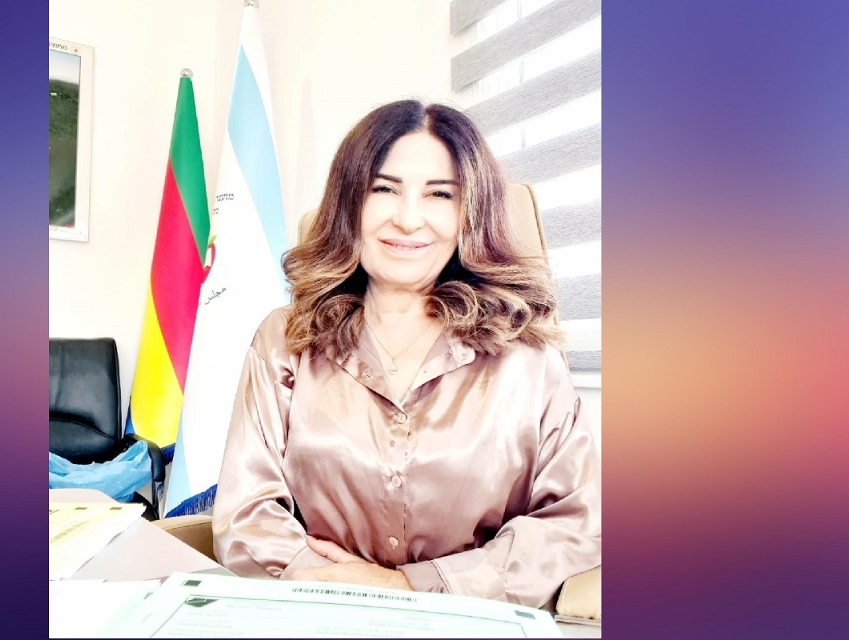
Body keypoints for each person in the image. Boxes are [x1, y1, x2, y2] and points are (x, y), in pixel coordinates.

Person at [211, 99, 601, 607]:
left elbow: (575, 522)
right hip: (322, 616)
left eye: (439, 194)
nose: (408, 219)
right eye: (384, 189)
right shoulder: (285, 339)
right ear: (349, 203)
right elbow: (246, 514)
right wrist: (331, 585)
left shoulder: (526, 354)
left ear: (469, 213)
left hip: (473, 624)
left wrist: (411, 587)